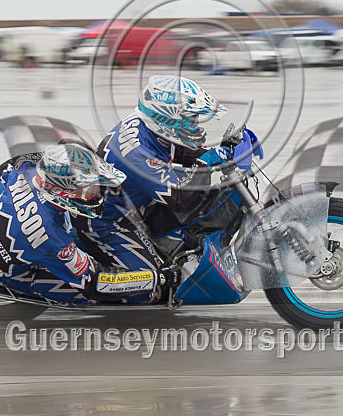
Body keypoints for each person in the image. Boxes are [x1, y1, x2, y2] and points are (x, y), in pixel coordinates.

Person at [72, 76, 232, 299]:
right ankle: (95, 288)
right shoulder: (137, 153)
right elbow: (179, 196)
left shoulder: (152, 124)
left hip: (134, 204)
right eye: (191, 118)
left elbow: (182, 151)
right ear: (168, 117)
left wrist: (221, 150)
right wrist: (206, 163)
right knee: (155, 289)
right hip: (106, 223)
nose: (195, 124)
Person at [0, 141, 175, 305]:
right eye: (90, 190)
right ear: (63, 194)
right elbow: (95, 282)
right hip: (11, 271)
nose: (97, 193)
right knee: (141, 295)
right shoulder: (48, 237)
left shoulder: (26, 166)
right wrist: (158, 278)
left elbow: (4, 170)